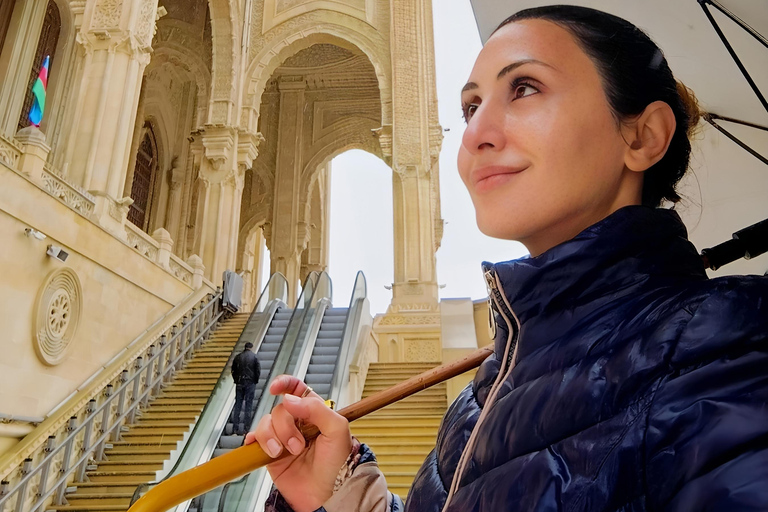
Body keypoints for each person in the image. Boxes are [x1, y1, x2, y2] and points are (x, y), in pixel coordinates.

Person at [246, 5, 768, 511]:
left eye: (524, 88)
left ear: (641, 135)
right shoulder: (484, 396)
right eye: (470, 107)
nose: (476, 134)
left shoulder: (729, 354)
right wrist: (339, 492)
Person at [231, 341, 261, 435]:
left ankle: (235, 429)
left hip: (239, 383)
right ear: (252, 347)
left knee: (238, 405)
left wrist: (236, 380)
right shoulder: (254, 357)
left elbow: (233, 370)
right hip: (250, 383)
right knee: (248, 405)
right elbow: (258, 370)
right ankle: (246, 429)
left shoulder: (238, 357)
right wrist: (255, 380)